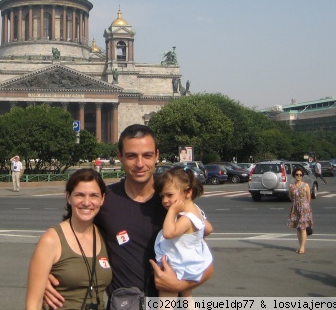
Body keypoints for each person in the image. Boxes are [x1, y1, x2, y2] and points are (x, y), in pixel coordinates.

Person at [44, 124, 213, 309]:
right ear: (120, 157)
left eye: (147, 155)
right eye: (132, 156)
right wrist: (46, 275)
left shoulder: (172, 201)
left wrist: (179, 285)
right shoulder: (105, 201)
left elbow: (204, 264)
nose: (140, 164)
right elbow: (68, 237)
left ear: (157, 155)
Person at [26, 168, 111, 310]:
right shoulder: (52, 239)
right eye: (79, 195)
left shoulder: (104, 235)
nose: (87, 202)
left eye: (94, 196)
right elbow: (32, 304)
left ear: (102, 199)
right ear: (68, 197)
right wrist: (41, 281)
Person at [153, 167, 213, 298]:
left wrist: (172, 212)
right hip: (189, 264)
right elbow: (208, 228)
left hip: (177, 266)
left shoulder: (186, 218)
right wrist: (197, 237)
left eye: (170, 195)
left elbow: (169, 233)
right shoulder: (196, 210)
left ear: (188, 192)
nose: (165, 200)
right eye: (162, 196)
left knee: (166, 298)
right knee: (187, 297)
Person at [287, 167, 313, 254]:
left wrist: (305, 207)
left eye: (300, 175)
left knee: (303, 228)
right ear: (294, 175)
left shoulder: (306, 185)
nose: (299, 176)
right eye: (297, 174)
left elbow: (309, 198)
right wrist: (296, 203)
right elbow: (290, 196)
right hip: (295, 208)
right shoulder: (292, 186)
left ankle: (302, 247)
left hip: (304, 208)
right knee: (298, 228)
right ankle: (300, 245)